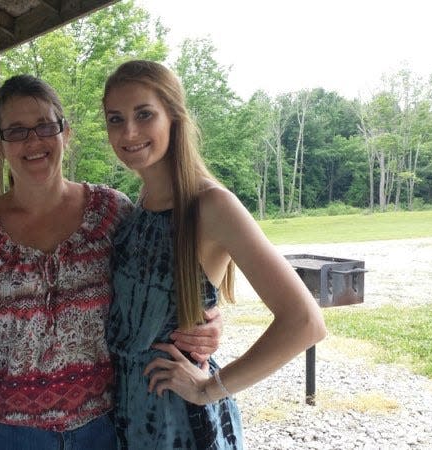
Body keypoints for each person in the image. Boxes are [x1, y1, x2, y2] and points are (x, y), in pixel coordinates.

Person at [0, 74, 223, 450]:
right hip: (1, 436)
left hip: (103, 431)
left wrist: (204, 319)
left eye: (44, 126)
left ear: (65, 133)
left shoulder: (113, 213)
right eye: (16, 131)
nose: (33, 141)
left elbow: (159, 287)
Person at [102, 60, 327, 449]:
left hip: (181, 425)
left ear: (173, 116)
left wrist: (210, 389)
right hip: (128, 417)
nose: (129, 132)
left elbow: (305, 321)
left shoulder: (211, 205)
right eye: (115, 119)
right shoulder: (139, 204)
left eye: (144, 114)